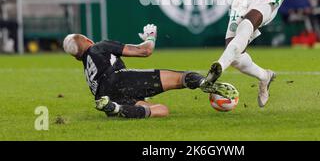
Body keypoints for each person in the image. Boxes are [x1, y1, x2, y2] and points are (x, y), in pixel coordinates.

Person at [63, 24, 235, 119]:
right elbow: (144, 51)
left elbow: (102, 85)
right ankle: (203, 83)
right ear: (86, 39)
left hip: (104, 95)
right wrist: (151, 36)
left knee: (160, 110)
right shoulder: (99, 47)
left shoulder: (87, 68)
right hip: (120, 79)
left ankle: (117, 109)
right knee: (182, 78)